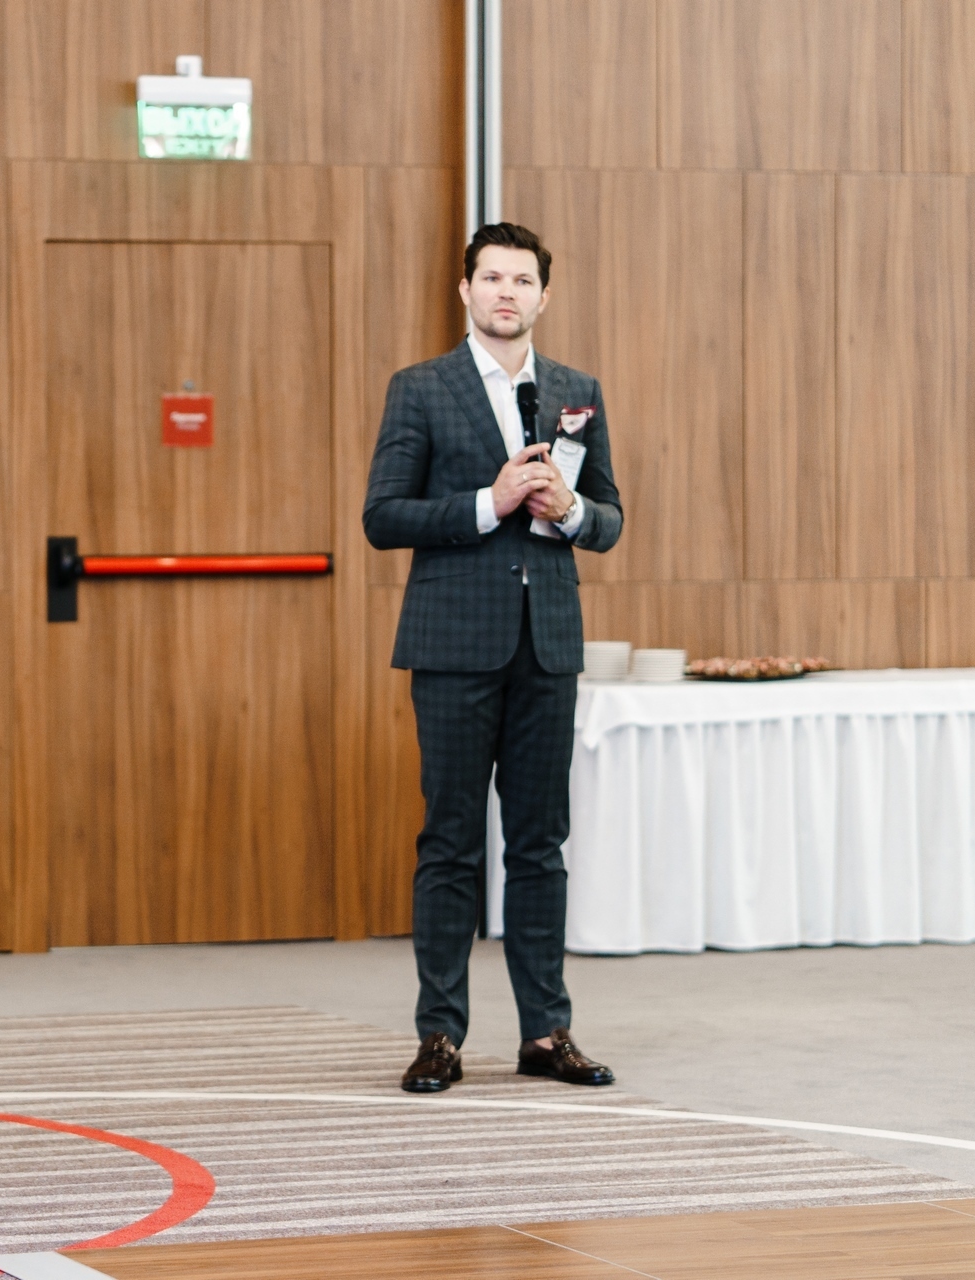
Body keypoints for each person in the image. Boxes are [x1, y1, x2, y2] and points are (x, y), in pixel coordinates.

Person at [363, 223, 623, 1094]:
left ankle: (546, 1032)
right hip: (452, 646)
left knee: (541, 845)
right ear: (465, 291)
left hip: (546, 647)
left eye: (522, 280)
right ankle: (440, 1035)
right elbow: (383, 517)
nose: (506, 293)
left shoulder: (576, 391)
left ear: (544, 296)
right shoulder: (421, 389)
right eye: (491, 278)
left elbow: (611, 520)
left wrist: (569, 511)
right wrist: (490, 500)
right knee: (451, 843)